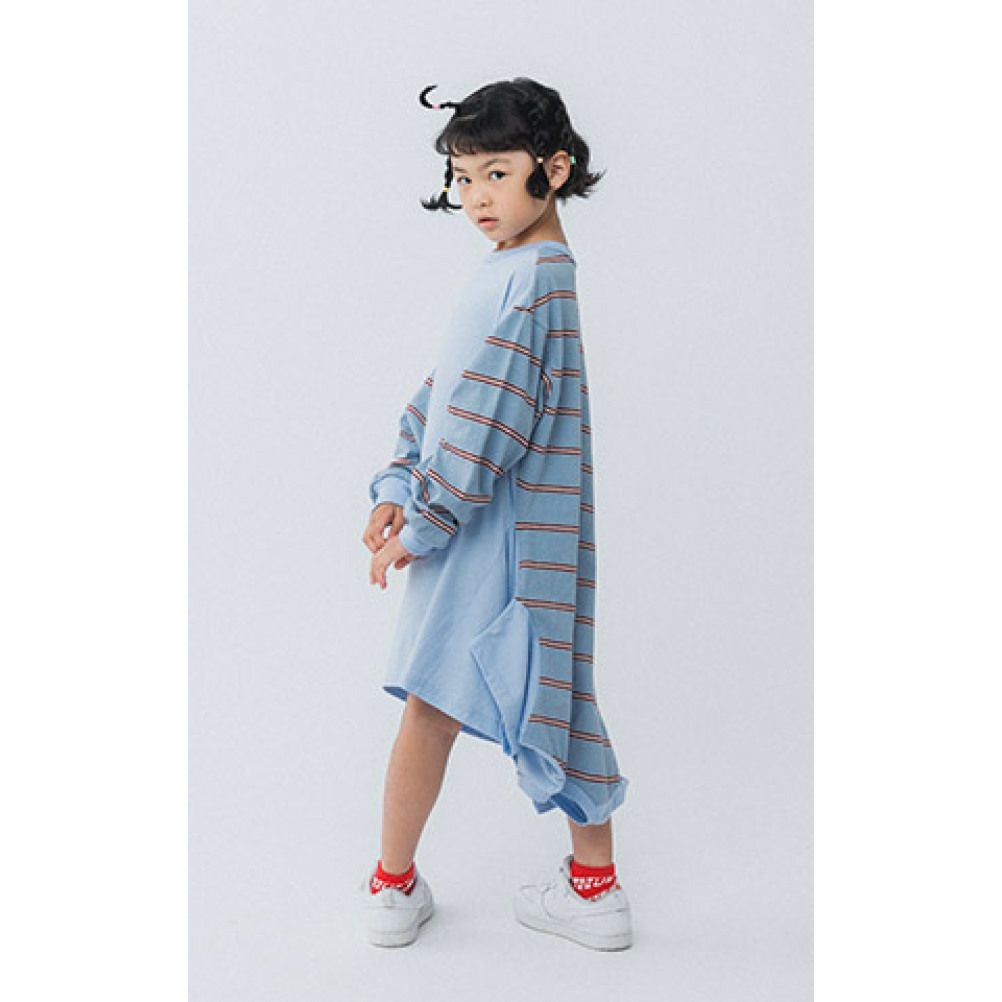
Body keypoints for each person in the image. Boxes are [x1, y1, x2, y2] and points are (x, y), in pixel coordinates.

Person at [358, 77, 632, 952]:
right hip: (477, 532)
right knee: (521, 697)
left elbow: (490, 423)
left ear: (555, 170)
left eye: (497, 174)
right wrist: (398, 483)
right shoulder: (511, 272)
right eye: (463, 177)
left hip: (498, 541)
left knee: (461, 700)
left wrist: (424, 521)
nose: (476, 197)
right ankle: (589, 889)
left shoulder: (538, 281)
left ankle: (395, 887)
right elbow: (446, 393)